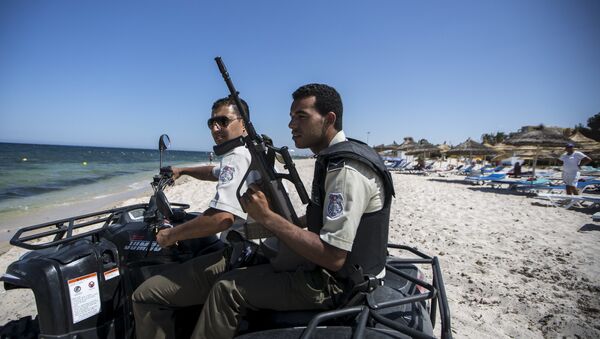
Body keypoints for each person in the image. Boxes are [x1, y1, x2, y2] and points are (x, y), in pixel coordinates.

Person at [191, 83, 395, 338]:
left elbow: (333, 257)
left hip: (337, 284)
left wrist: (267, 216)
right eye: (291, 117)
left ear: (329, 119)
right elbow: (327, 222)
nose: (291, 125)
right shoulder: (340, 155)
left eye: (301, 116)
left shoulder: (344, 170)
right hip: (348, 273)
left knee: (226, 288)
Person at [132, 96, 256, 339]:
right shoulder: (249, 152)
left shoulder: (237, 156)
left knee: (144, 296)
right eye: (211, 123)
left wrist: (170, 235)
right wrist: (183, 170)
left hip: (240, 257)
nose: (215, 128)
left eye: (223, 121)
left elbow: (221, 218)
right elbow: (214, 172)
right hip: (253, 251)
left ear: (243, 124)